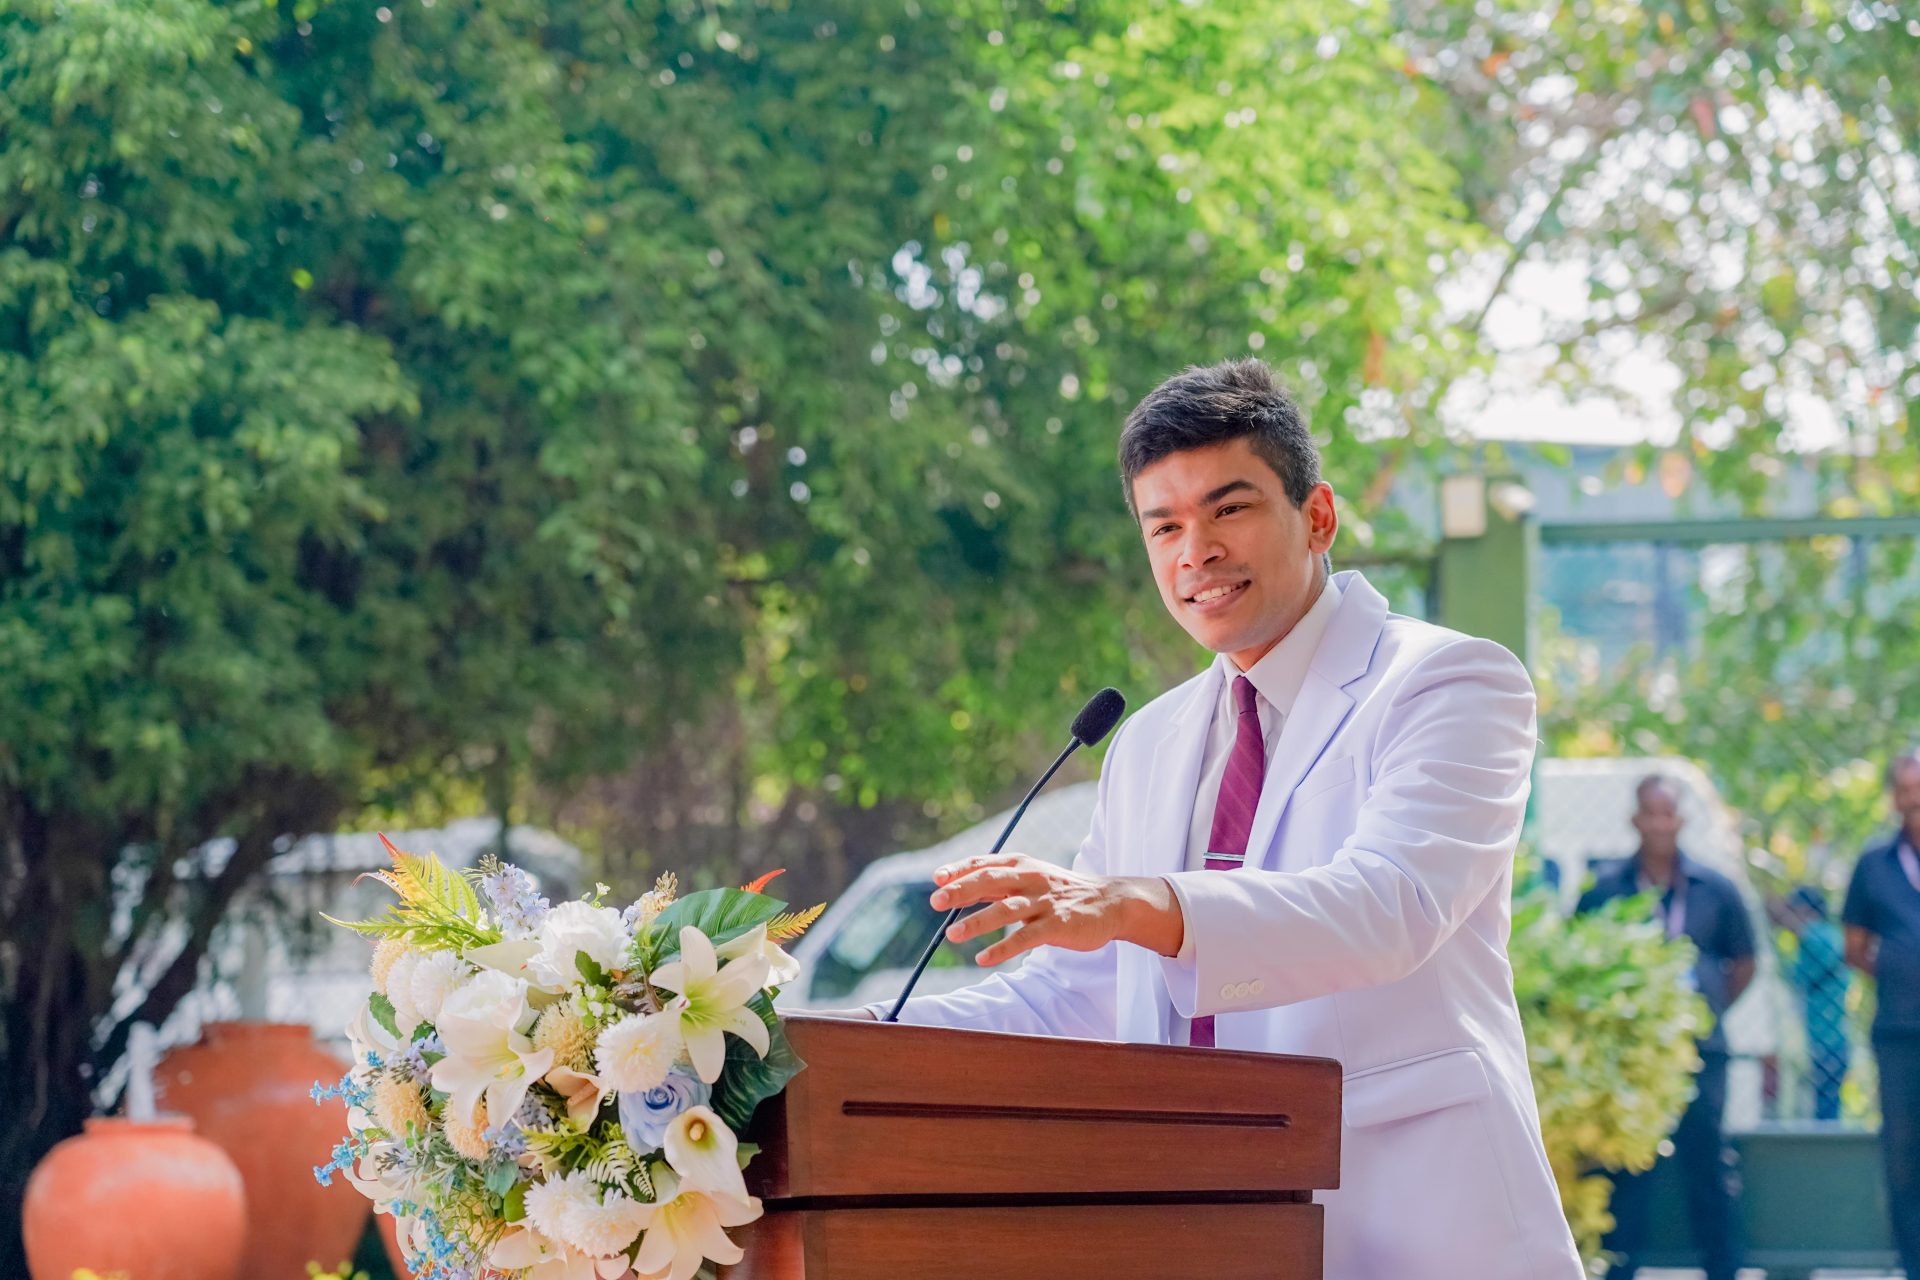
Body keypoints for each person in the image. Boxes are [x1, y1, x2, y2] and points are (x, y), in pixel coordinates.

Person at [851, 359, 1583, 1277]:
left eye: (1228, 509)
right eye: (1165, 526)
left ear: (1317, 517)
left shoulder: (1446, 682)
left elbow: (1387, 907)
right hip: (1197, 1230)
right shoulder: (1149, 742)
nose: (1195, 551)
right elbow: (1076, 993)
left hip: (1415, 1222)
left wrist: (1136, 906)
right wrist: (842, 1041)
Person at [1575, 775, 1756, 1280]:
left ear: (1680, 820)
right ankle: (1616, 1270)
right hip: (1629, 1056)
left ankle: (1723, 1269)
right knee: (1626, 1167)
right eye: (1649, 813)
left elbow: (1744, 963)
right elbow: (1583, 959)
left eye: (1667, 813)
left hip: (1701, 1052)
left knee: (1708, 1165)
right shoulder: (1606, 888)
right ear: (1635, 819)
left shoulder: (1715, 889)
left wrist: (1706, 1007)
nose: (1658, 823)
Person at [1841, 749, 1920, 1278]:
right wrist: (1899, 971)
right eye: (1907, 791)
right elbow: (1854, 948)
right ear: (1894, 797)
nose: (1915, 801)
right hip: (1898, 1034)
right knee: (1903, 1156)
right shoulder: (1873, 865)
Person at [1770, 884, 1850, 1121]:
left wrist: (1779, 912)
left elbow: (1806, 932)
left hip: (1828, 1043)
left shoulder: (1824, 936)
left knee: (1826, 1113)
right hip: (1818, 1041)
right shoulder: (1813, 943)